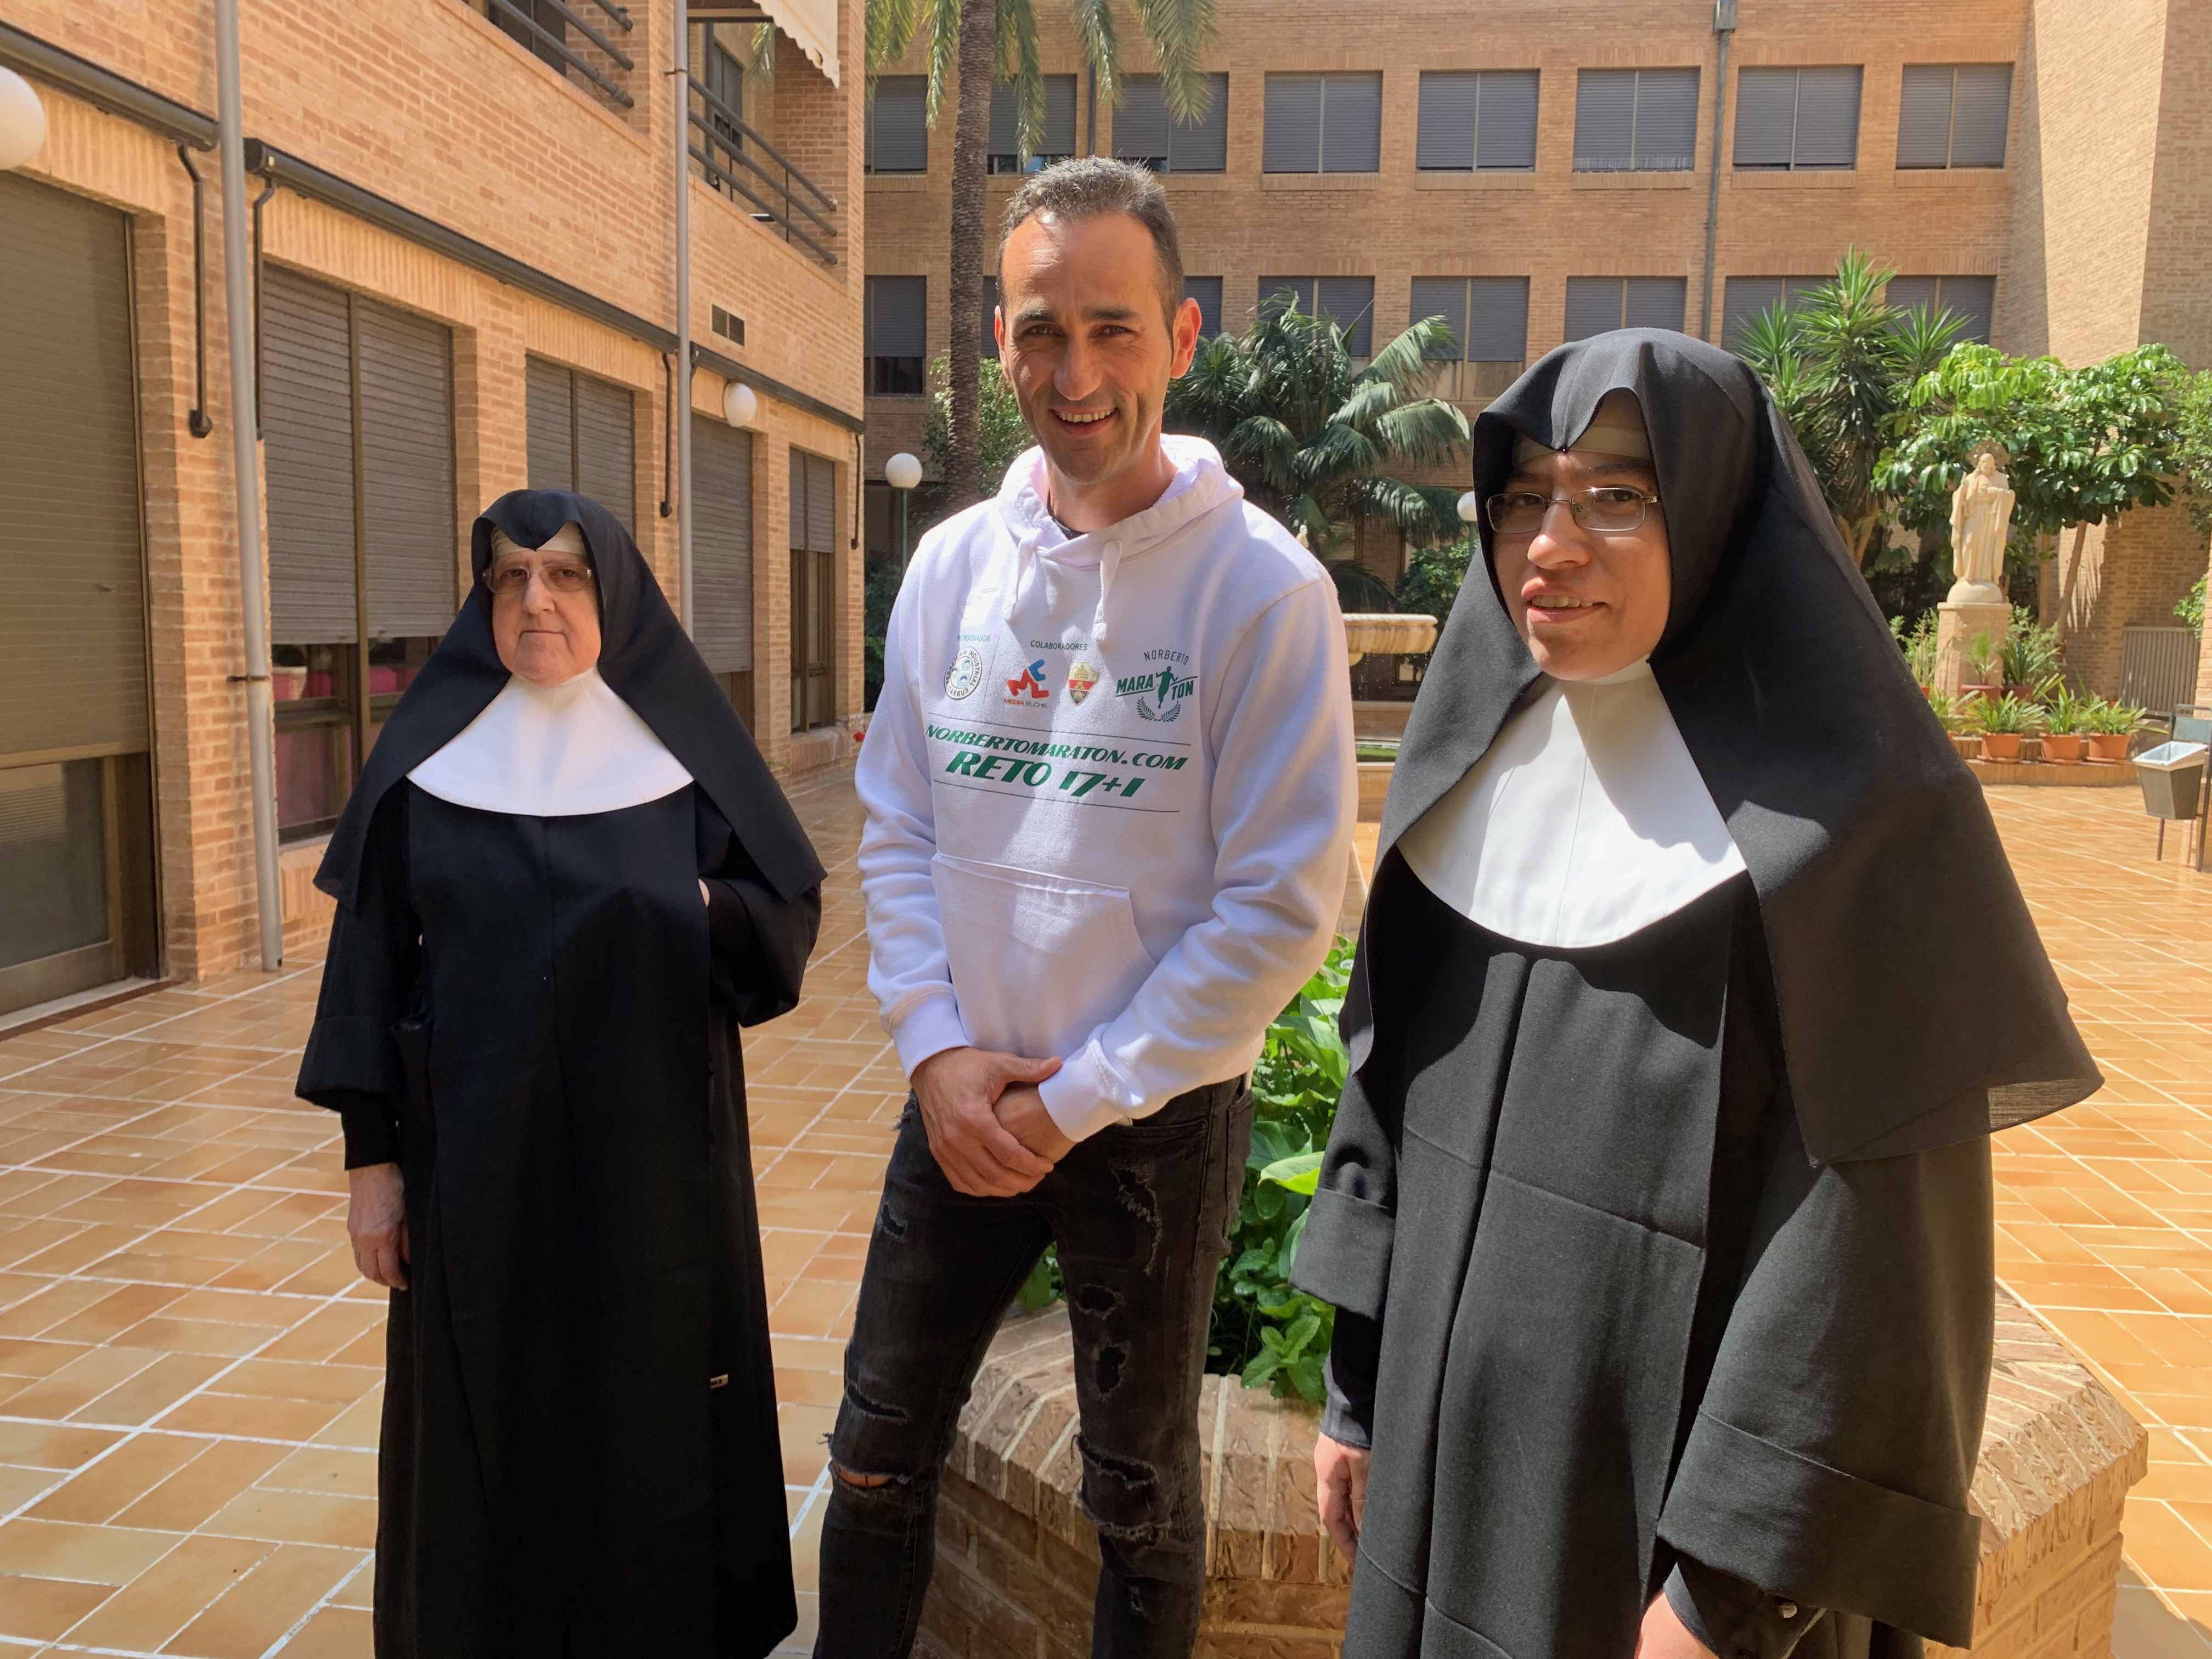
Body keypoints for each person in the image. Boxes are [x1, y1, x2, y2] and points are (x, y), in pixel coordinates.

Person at [1294, 334, 2101, 1659]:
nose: (1552, 546)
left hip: (1668, 1557)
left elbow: (1879, 1267)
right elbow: (1386, 1106)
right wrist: (1356, 1391)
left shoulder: (1858, 839)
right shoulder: (1474, 773)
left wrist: (1728, 1595)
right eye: (1524, 497)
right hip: (1442, 1470)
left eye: (1618, 496)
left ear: (1721, 513)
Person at [821, 157, 1356, 1659]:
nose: (1076, 374)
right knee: (873, 1453)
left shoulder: (1264, 593)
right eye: (1043, 331)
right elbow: (898, 823)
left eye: (1113, 330)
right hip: (964, 1099)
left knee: (1141, 1502)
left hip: (1152, 1123)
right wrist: (935, 1050)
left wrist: (1081, 1100)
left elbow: (1280, 909)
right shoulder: (947, 570)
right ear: (999, 340)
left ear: (1180, 337)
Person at [296, 490, 825, 1659]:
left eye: (566, 574)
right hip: (474, 1157)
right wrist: (372, 1165)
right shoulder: (428, 762)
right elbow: (368, 965)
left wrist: (690, 906)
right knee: (490, 1392)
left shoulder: (682, 754)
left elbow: (783, 917)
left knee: (654, 1385)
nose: (535, 599)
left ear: (614, 593)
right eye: (510, 577)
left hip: (658, 1152)